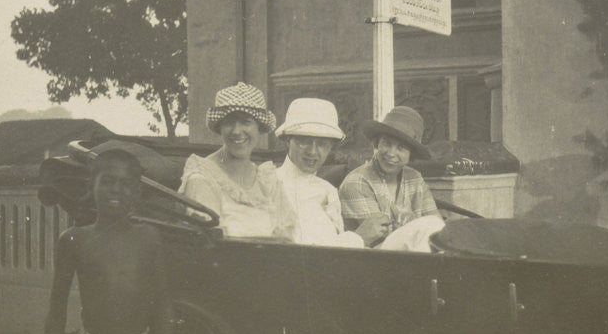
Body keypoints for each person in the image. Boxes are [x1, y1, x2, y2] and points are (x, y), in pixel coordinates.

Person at [42, 148, 169, 334]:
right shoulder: (73, 240)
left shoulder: (149, 238)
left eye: (125, 184)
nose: (116, 189)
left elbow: (162, 309)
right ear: (91, 186)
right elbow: (56, 312)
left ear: (137, 193)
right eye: (108, 180)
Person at [179, 82, 296, 240]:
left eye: (246, 122)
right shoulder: (202, 178)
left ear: (259, 127)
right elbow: (209, 246)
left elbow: (287, 239)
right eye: (229, 122)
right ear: (219, 127)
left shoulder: (267, 181)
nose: (236, 131)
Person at [274, 98, 389, 248]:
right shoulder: (271, 184)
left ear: (330, 147)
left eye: (322, 144)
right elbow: (300, 254)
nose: (312, 151)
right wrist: (359, 238)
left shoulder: (328, 190)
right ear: (287, 140)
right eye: (304, 141)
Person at [338, 106, 445, 252]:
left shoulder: (414, 178)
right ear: (377, 144)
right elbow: (377, 237)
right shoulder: (356, 182)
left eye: (401, 148)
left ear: (410, 154)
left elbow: (437, 225)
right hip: (371, 258)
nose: (391, 153)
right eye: (386, 143)